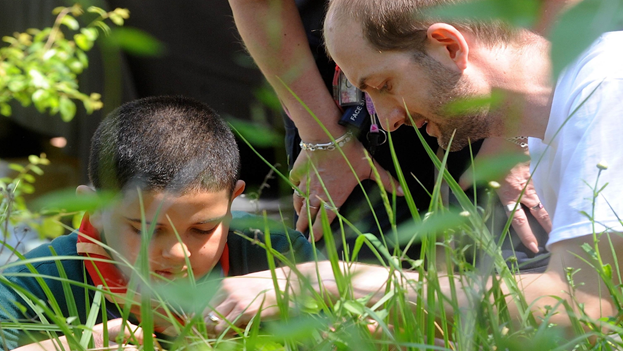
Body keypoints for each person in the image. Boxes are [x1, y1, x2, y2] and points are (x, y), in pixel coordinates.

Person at [206, 0, 623, 337]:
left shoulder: (608, 93)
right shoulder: (553, 126)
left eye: (383, 86)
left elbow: (585, 306)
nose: (385, 120)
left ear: (448, 46)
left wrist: (335, 281)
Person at [228, 0, 551, 267]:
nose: (389, 121)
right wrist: (324, 137)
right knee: (359, 306)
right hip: (335, 111)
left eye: (383, 88)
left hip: (479, 89)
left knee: (521, 282)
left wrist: (513, 125)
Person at [0, 96, 314, 350]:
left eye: (203, 229)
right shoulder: (30, 286)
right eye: (145, 229)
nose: (177, 253)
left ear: (233, 201)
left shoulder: (277, 257)